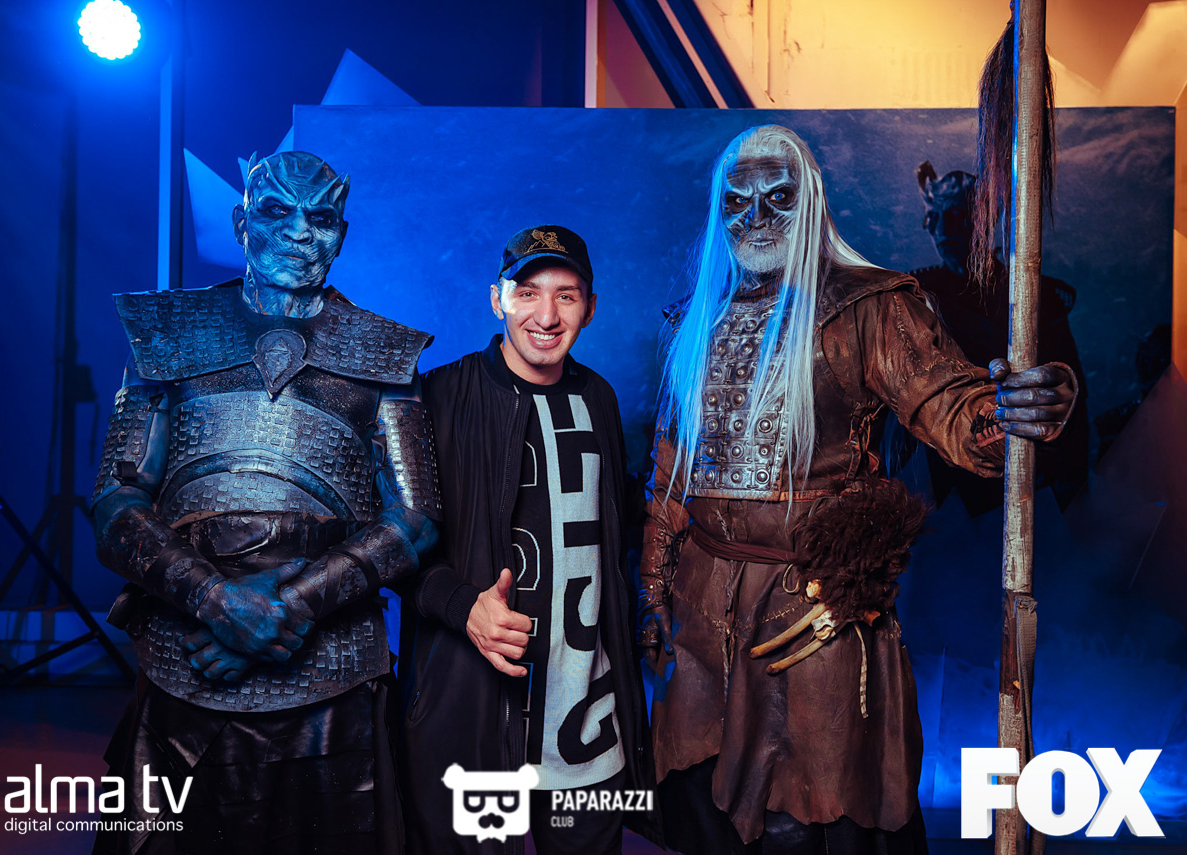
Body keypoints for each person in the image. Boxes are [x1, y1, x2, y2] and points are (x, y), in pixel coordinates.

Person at [638, 126, 1077, 854]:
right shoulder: (694, 321)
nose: (755, 218)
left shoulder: (867, 305)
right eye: (736, 201)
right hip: (701, 612)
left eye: (777, 198)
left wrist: (1014, 409)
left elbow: (949, 405)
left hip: (813, 609)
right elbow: (669, 478)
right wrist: (652, 592)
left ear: (810, 201)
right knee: (700, 809)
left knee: (813, 813)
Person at [89, 151, 441, 855]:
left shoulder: (385, 352)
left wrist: (291, 606)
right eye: (278, 211)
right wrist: (214, 599)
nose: (300, 233)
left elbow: (416, 520)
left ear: (342, 233)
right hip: (186, 655)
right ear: (241, 221)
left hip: (332, 669)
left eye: (321, 217)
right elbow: (115, 503)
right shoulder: (168, 335)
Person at [398, 226, 657, 854]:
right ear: (497, 300)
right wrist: (463, 606)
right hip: (473, 717)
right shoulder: (437, 396)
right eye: (527, 292)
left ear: (590, 308)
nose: (546, 316)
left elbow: (615, 533)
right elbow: (391, 548)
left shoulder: (599, 399)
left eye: (566, 296)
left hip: (586, 720)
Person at [909, 162, 1088, 512]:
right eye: (934, 219)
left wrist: (1071, 481)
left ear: (982, 221)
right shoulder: (919, 296)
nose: (943, 230)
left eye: (956, 216)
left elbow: (1071, 395)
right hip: (948, 485)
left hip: (1028, 476)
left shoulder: (1034, 295)